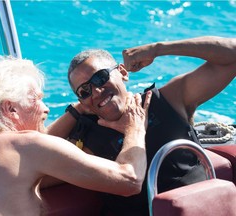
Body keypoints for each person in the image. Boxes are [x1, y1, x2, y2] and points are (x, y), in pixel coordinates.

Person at [0, 56, 152, 216]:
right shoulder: (24, 146)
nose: (45, 109)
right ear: (11, 109)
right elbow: (129, 180)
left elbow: (45, 145)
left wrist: (78, 109)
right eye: (36, 99)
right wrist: (135, 127)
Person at [67, 36, 236, 215]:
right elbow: (37, 149)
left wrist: (158, 49)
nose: (97, 91)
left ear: (123, 73)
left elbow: (232, 55)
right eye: (85, 91)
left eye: (100, 77)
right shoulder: (86, 139)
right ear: (82, 101)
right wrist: (74, 112)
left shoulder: (168, 100)